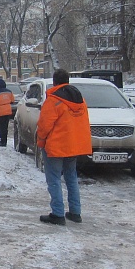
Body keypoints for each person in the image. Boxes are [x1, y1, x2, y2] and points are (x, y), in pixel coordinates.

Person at [36, 69, 92, 226]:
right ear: (68, 81)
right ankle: (75, 212)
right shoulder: (80, 101)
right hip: (73, 146)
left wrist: (41, 142)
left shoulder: (53, 101)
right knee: (71, 177)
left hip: (56, 147)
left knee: (54, 178)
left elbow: (44, 126)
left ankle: (58, 214)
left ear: (54, 82)